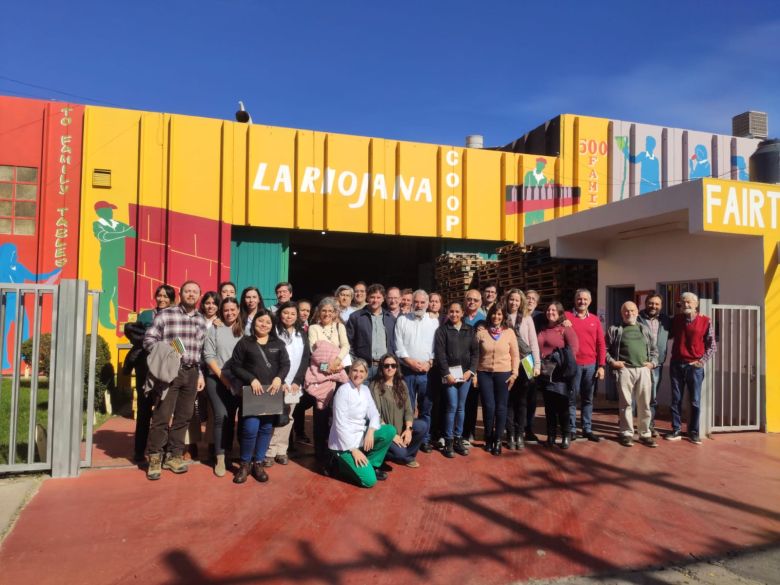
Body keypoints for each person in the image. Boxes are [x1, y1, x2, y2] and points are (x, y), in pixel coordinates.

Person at [143, 281, 207, 480]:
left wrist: (201, 374)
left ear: (199, 296)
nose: (191, 294)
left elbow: (202, 351)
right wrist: (170, 354)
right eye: (187, 291)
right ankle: (155, 457)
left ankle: (174, 455)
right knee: (162, 415)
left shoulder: (202, 320)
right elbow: (149, 341)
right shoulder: (166, 315)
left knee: (184, 416)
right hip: (171, 372)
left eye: (194, 292)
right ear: (180, 294)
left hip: (192, 372)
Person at [230, 310, 290, 483]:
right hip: (252, 393)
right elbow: (235, 366)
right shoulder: (245, 343)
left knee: (265, 429)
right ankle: (244, 464)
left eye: (268, 322)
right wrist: (251, 379)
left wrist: (279, 378)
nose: (264, 324)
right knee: (249, 428)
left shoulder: (278, 343)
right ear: (254, 322)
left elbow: (285, 364)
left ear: (272, 325)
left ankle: (258, 463)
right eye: (260, 321)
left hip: (271, 392)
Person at [124, 284, 176, 463]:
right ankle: (139, 451)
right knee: (144, 410)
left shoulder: (176, 316)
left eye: (166, 296)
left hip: (167, 368)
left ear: (172, 299)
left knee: (164, 412)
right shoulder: (146, 314)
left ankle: (161, 450)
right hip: (145, 368)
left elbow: (179, 341)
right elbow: (135, 335)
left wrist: (179, 356)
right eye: (159, 295)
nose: (162, 299)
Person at [327, 359, 396, 488]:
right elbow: (339, 424)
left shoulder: (365, 390)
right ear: (349, 372)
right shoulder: (343, 391)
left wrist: (370, 430)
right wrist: (353, 450)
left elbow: (374, 413)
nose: (358, 374)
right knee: (370, 481)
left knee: (389, 430)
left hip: (360, 434)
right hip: (344, 444)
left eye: (361, 371)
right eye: (355, 370)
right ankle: (339, 465)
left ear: (366, 375)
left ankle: (371, 465)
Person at [666, 292, 716, 444]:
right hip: (676, 364)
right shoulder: (676, 320)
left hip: (694, 366)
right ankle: (676, 429)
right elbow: (667, 336)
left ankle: (693, 432)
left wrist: (701, 362)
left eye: (689, 302)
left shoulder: (705, 321)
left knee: (695, 400)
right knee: (676, 399)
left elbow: (712, 345)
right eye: (682, 302)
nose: (685, 305)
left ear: (696, 304)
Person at [606, 302, 659, 447]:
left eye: (632, 310)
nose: (629, 313)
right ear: (622, 313)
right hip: (625, 369)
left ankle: (645, 434)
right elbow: (604, 349)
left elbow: (654, 350)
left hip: (643, 369)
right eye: (626, 311)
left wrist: (652, 363)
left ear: (637, 312)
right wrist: (613, 363)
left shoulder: (644, 329)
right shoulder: (615, 329)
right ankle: (627, 433)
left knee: (644, 404)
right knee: (626, 404)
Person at [306, 297, 350, 467]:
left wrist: (336, 362)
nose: (327, 314)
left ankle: (335, 447)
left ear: (334, 313)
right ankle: (319, 450)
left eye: (330, 311)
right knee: (321, 413)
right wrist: (327, 367)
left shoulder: (339, 327)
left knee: (337, 412)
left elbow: (345, 346)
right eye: (324, 310)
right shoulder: (314, 328)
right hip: (321, 372)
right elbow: (314, 351)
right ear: (319, 312)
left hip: (338, 370)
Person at [265, 301, 310, 467]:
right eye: (285, 313)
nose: (288, 316)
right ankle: (269, 451)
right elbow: (270, 358)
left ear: (297, 316)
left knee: (288, 417)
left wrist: (298, 380)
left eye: (292, 314)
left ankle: (281, 451)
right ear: (279, 314)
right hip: (276, 381)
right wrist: (280, 379)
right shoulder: (273, 332)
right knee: (272, 416)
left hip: (294, 384)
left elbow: (305, 358)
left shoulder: (301, 334)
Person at [394, 289, 439, 453]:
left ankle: (425, 439)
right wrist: (410, 361)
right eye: (416, 302)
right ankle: (408, 436)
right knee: (407, 407)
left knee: (426, 408)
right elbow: (398, 344)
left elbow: (437, 346)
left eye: (422, 302)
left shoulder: (434, 322)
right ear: (411, 303)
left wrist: (430, 362)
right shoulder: (402, 320)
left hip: (427, 371)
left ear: (427, 304)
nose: (419, 305)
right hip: (408, 371)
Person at [203, 296, 243, 476]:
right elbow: (208, 355)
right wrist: (223, 378)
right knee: (220, 415)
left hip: (238, 380)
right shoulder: (215, 329)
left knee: (231, 417)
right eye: (226, 310)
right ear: (221, 311)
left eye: (232, 309)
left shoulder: (246, 331)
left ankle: (228, 451)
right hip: (215, 378)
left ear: (238, 310)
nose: (229, 313)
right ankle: (219, 456)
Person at [434, 301, 478, 458]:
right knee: (451, 406)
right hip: (450, 376)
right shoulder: (442, 331)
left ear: (462, 313)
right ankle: (449, 440)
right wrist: (446, 374)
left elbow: (475, 353)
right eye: (451, 311)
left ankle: (459, 438)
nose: (454, 314)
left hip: (465, 375)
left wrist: (471, 371)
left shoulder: (470, 330)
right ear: (448, 313)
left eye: (457, 311)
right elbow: (440, 355)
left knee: (461, 407)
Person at [475, 304, 519, 456]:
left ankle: (498, 439)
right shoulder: (481, 333)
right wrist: (475, 374)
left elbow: (515, 355)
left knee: (501, 407)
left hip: (503, 374)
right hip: (484, 373)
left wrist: (514, 373)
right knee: (489, 406)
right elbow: (475, 356)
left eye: (499, 314)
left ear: (503, 316)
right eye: (494, 314)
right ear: (490, 316)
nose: (496, 317)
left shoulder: (509, 333)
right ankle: (488, 437)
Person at [369, 354, 427, 468]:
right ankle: (390, 454)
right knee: (400, 453)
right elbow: (376, 415)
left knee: (422, 426)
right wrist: (393, 435)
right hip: (386, 431)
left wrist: (408, 429)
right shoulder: (374, 386)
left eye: (393, 365)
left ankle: (407, 456)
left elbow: (408, 410)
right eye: (386, 366)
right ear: (381, 367)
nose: (390, 368)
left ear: (397, 367)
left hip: (400, 428)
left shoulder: (401, 384)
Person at [564, 289, 606, 442]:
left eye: (585, 299)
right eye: (579, 299)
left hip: (590, 365)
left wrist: (601, 365)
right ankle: (572, 429)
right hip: (573, 365)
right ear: (575, 300)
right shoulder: (567, 316)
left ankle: (587, 429)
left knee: (588, 399)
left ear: (590, 301)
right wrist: (562, 324)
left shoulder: (595, 319)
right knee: (572, 398)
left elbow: (601, 344)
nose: (582, 301)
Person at [537, 301, 579, 450]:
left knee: (562, 406)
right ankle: (551, 435)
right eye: (548, 310)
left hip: (560, 374)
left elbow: (574, 349)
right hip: (546, 372)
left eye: (554, 310)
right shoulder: (542, 327)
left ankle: (566, 436)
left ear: (560, 313)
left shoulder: (565, 328)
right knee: (549, 407)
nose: (550, 312)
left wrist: (563, 365)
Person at [505, 289, 540, 450]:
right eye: (511, 299)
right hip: (508, 361)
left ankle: (520, 433)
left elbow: (533, 343)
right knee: (509, 400)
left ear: (521, 302)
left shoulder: (526, 318)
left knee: (522, 400)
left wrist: (537, 364)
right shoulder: (502, 316)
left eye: (517, 300)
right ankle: (510, 433)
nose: (514, 302)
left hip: (526, 361)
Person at [637, 293, 672, 436]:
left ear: (661, 306)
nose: (653, 306)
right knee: (634, 396)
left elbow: (670, 335)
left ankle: (649, 426)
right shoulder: (637, 318)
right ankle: (629, 425)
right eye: (651, 303)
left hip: (656, 365)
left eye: (657, 304)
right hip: (639, 364)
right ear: (646, 303)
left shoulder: (665, 320)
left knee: (652, 397)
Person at [346, 284, 397, 378]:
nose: (375, 300)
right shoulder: (356, 317)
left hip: (384, 367)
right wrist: (356, 362)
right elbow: (349, 342)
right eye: (372, 297)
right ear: (367, 298)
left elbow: (394, 343)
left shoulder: (390, 318)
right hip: (363, 368)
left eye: (378, 297)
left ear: (383, 299)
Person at [462, 289, 486, 443]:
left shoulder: (484, 319)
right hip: (459, 365)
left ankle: (469, 431)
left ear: (480, 302)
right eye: (469, 299)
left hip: (476, 366)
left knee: (472, 401)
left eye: (475, 300)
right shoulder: (458, 315)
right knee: (458, 401)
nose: (472, 302)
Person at [524, 289, 544, 442]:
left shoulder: (541, 317)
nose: (530, 300)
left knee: (531, 395)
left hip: (531, 360)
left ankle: (528, 428)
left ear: (536, 303)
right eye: (528, 298)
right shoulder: (516, 314)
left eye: (533, 299)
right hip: (516, 358)